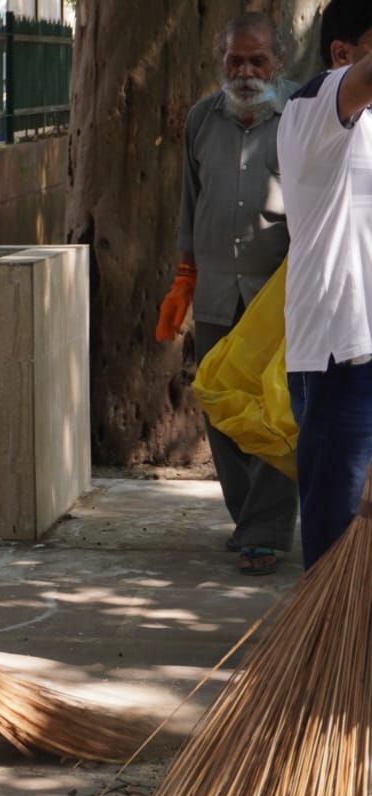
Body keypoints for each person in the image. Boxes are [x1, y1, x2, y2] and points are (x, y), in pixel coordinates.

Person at [154, 12, 299, 575]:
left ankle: (265, 531)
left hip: (277, 298)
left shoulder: (299, 120)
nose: (244, 71)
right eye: (234, 61)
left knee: (272, 413)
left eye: (256, 60)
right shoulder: (201, 119)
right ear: (221, 62)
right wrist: (183, 278)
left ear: (277, 62)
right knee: (218, 406)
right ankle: (249, 522)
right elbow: (191, 200)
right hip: (216, 289)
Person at [276, 0, 372, 570]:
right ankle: (328, 657)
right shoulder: (314, 109)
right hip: (341, 356)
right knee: (338, 549)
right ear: (342, 53)